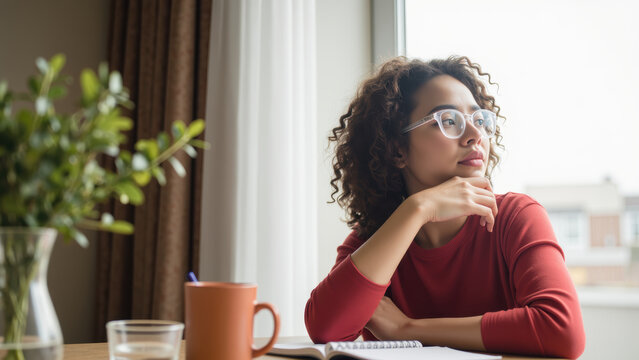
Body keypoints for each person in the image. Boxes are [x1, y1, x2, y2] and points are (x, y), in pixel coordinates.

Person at [304, 56, 585, 359]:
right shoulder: (377, 239)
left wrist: (408, 329)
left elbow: (561, 331)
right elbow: (326, 331)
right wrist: (418, 208)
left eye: (480, 121)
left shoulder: (516, 217)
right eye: (449, 121)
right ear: (398, 149)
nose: (475, 135)